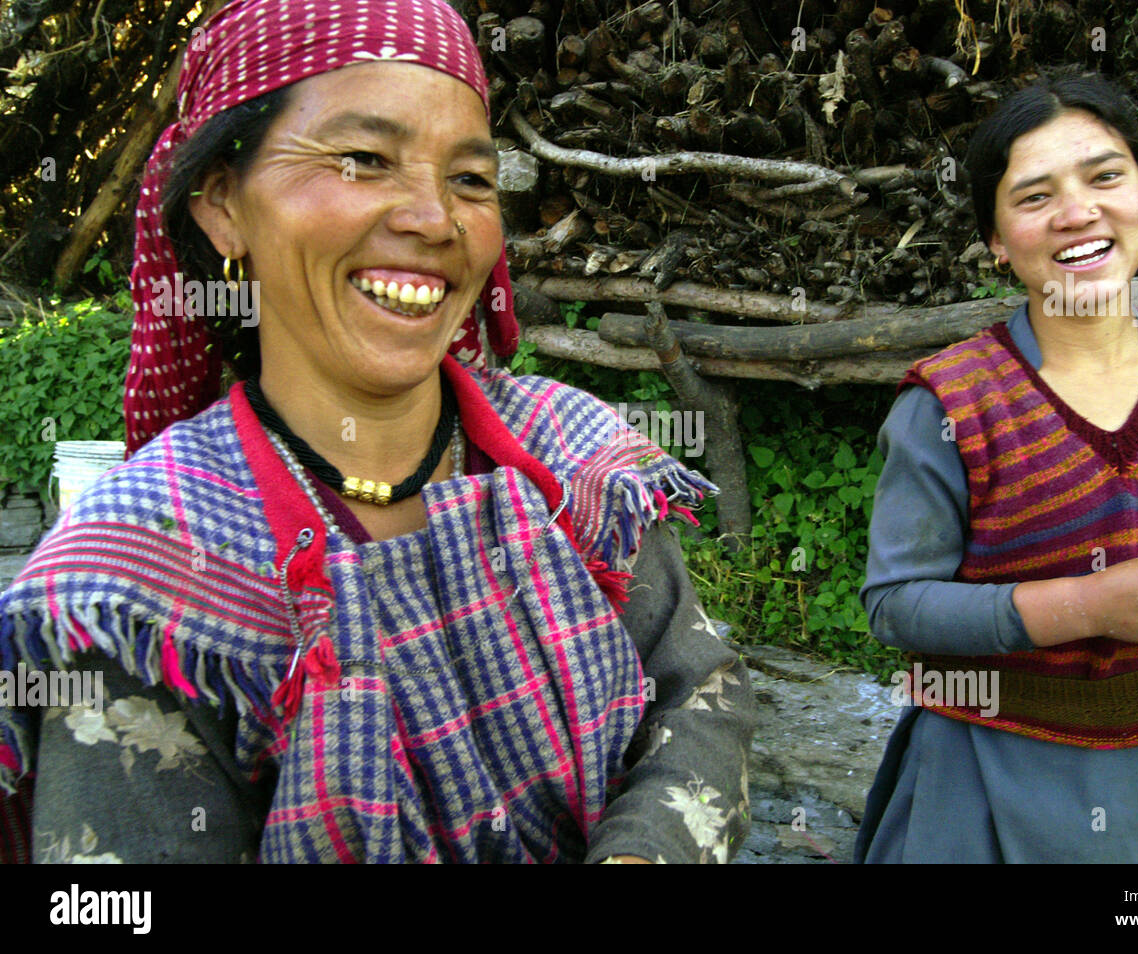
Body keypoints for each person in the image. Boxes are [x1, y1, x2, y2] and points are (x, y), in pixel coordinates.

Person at [0, 0, 754, 864]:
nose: (435, 220)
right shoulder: (142, 582)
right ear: (223, 209)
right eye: (362, 160)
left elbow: (699, 693)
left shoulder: (573, 458)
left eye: (471, 179)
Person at [853, 73, 1138, 863]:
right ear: (996, 241)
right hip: (982, 772)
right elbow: (896, 605)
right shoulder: (951, 404)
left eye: (1105, 176)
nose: (1077, 212)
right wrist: (1091, 604)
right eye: (1033, 197)